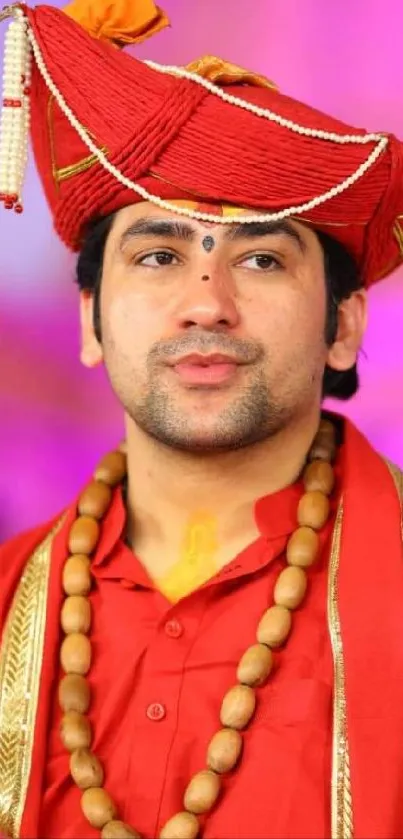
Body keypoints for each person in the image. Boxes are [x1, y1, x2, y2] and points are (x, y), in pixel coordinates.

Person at [0, 0, 402, 837]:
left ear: (342, 326)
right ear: (88, 319)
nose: (205, 305)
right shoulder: (9, 601)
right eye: (157, 255)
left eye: (260, 257)